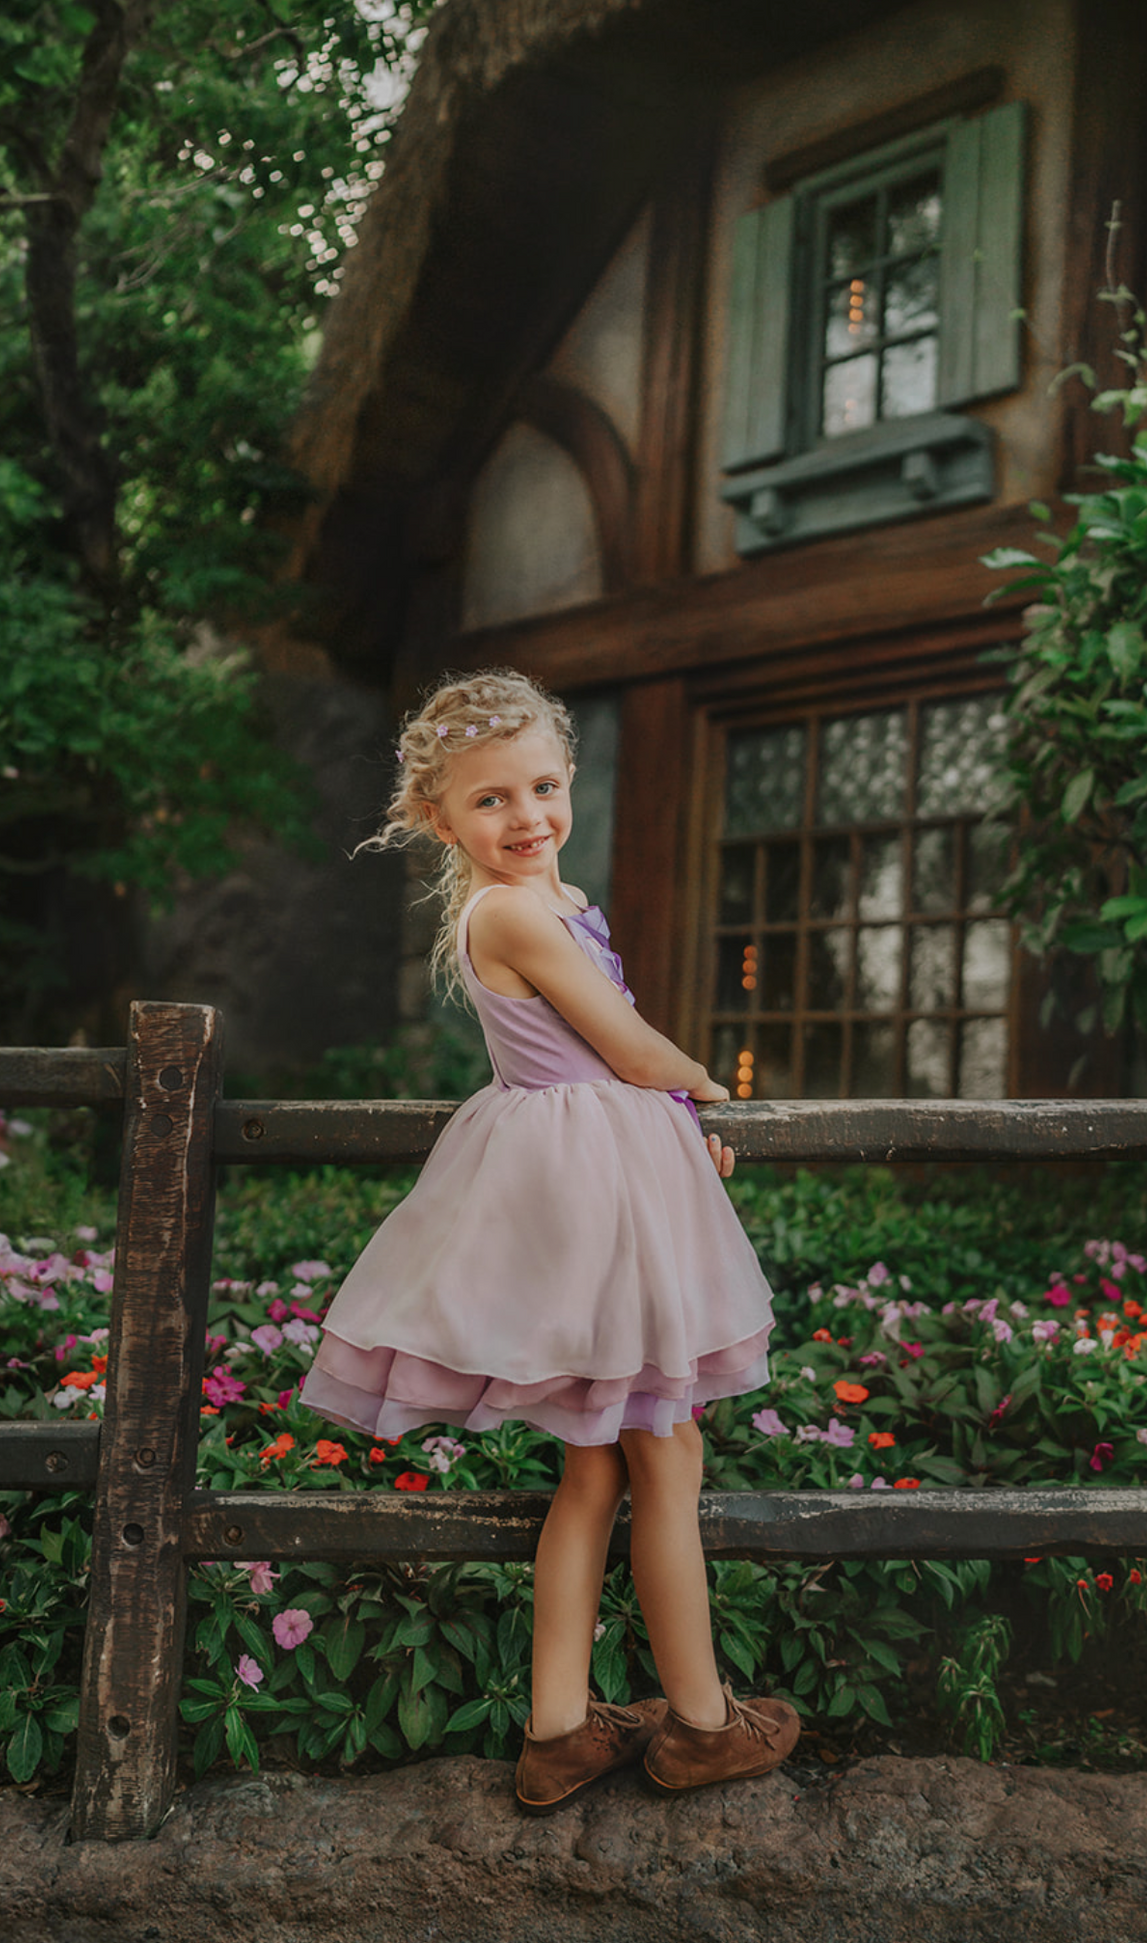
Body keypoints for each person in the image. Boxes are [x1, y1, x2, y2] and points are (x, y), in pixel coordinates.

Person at [300, 668, 799, 1809]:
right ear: (439, 819)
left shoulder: (550, 899)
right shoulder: (513, 910)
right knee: (665, 1458)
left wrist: (671, 1122)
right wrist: (705, 1101)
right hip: (593, 1199)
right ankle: (702, 1722)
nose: (525, 817)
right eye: (489, 801)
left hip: (600, 1183)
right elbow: (624, 1047)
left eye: (540, 787)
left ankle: (558, 1731)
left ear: (568, 782)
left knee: (591, 1470)